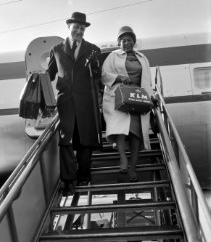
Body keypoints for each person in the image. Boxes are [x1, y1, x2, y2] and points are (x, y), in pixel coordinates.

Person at [47, 12, 101, 196]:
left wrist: (95, 66)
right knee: (66, 140)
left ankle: (84, 177)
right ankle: (69, 181)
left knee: (85, 140)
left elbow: (97, 75)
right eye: (76, 27)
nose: (79, 31)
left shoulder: (94, 49)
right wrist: (37, 81)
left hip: (86, 101)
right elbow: (50, 75)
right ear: (68, 27)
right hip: (66, 100)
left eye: (82, 28)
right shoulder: (56, 49)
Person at [101, 26, 155, 182]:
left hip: (137, 98)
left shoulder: (142, 58)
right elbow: (104, 75)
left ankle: (132, 167)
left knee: (136, 132)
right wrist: (119, 78)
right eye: (123, 40)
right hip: (118, 97)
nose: (126, 43)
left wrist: (151, 98)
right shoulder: (113, 56)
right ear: (119, 42)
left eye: (129, 40)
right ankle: (123, 158)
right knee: (120, 129)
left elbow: (147, 81)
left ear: (134, 41)